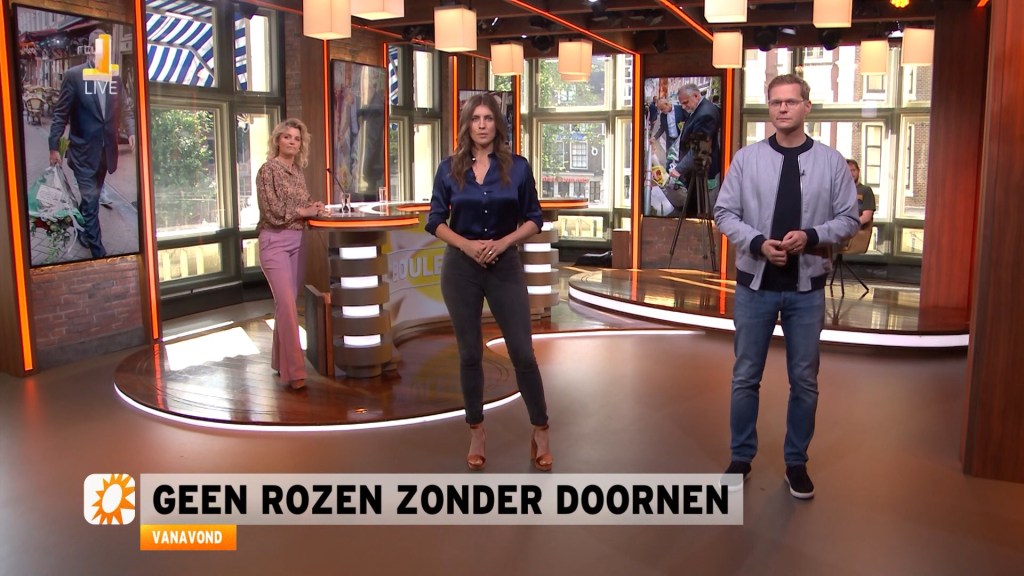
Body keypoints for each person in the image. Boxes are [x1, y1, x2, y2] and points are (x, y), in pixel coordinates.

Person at [713, 74, 860, 499]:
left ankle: (796, 463)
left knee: (805, 381)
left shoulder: (831, 162)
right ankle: (741, 457)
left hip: (806, 288)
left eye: (791, 101)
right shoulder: (747, 159)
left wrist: (811, 236)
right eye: (776, 102)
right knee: (745, 376)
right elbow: (725, 213)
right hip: (755, 286)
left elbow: (849, 219)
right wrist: (758, 243)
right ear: (770, 107)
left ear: (806, 107)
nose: (782, 108)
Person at [425, 93, 552, 472]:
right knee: (469, 354)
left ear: (498, 124)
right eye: (475, 118)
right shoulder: (448, 169)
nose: (482, 125)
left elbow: (534, 218)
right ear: (467, 125)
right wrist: (466, 245)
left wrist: (503, 242)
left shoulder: (518, 168)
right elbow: (435, 220)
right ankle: (477, 431)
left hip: (504, 267)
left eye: (488, 118)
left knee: (523, 353)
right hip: (460, 269)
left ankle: (541, 429)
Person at [48, 28, 135, 258]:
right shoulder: (74, 76)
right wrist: (53, 146)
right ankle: (99, 251)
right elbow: (60, 114)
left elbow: (125, 109)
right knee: (91, 200)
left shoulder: (114, 78)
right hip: (82, 153)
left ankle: (82, 228)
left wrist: (132, 132)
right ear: (90, 51)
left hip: (105, 154)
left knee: (90, 199)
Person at [256, 118, 324, 390]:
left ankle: (279, 362)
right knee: (286, 306)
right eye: (287, 137)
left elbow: (301, 202)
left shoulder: (297, 172)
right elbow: (272, 210)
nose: (292, 142)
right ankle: (295, 373)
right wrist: (303, 211)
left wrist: (313, 206)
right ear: (277, 140)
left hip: (298, 241)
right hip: (274, 242)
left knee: (285, 305)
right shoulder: (267, 170)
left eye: (297, 139)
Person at [671, 84, 721, 188]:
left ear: (696, 96)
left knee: (699, 197)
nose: (683, 107)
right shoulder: (700, 108)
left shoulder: (706, 114)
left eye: (685, 102)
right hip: (697, 168)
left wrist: (679, 169)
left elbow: (698, 148)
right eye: (681, 104)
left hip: (701, 171)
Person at [846, 159, 876, 228]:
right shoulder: (839, 191)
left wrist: (850, 226)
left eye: (853, 170)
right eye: (848, 171)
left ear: (858, 171)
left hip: (858, 230)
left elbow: (867, 216)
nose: (851, 173)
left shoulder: (866, 190)